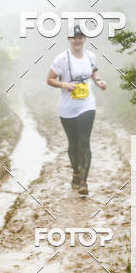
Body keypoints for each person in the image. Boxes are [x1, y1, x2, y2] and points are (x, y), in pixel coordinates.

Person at [46, 26, 107, 196]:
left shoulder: (90, 56)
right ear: (69, 39)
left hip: (87, 104)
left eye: (80, 37)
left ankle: (83, 183)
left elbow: (94, 71)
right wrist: (64, 84)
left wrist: (99, 81)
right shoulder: (62, 59)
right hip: (67, 107)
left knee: (84, 141)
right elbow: (49, 79)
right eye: (74, 37)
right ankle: (76, 172)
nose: (77, 40)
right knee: (73, 143)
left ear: (85, 39)